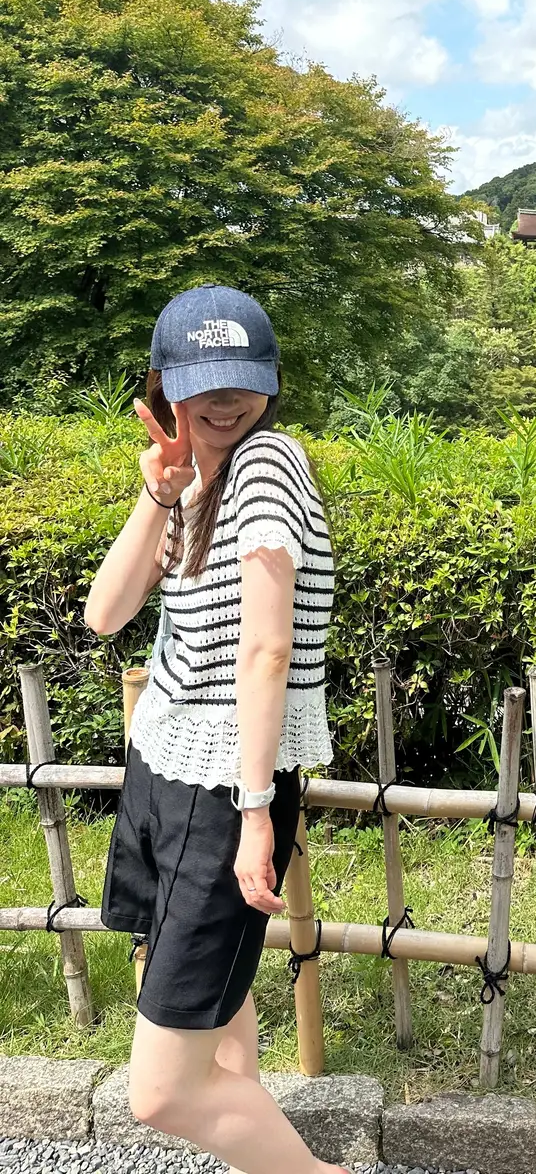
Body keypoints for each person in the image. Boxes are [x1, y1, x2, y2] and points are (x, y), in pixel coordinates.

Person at [85, 285, 345, 1174]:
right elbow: (106, 614)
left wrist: (258, 811)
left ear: (270, 383)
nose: (225, 400)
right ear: (164, 386)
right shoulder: (193, 479)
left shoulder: (268, 462)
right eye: (203, 382)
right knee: (218, 1023)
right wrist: (157, 495)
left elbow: (269, 648)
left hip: (225, 785)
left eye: (243, 379)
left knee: (159, 1091)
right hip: (165, 762)